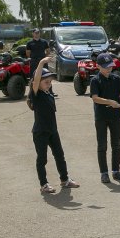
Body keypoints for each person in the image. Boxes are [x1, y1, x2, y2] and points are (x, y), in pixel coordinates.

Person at [30, 56, 79, 193]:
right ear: (38, 82)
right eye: (46, 81)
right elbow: (36, 80)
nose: (49, 83)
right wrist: (41, 62)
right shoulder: (36, 94)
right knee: (42, 159)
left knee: (59, 155)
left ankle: (65, 180)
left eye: (50, 81)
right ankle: (44, 184)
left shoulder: (48, 93)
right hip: (40, 132)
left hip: (52, 130)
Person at [90, 53, 120, 183]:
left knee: (116, 145)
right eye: (105, 67)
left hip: (115, 116)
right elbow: (95, 98)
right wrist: (110, 102)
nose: (109, 69)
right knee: (102, 145)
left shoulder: (116, 78)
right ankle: (104, 173)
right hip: (101, 117)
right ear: (98, 66)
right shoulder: (95, 80)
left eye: (110, 66)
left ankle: (116, 171)